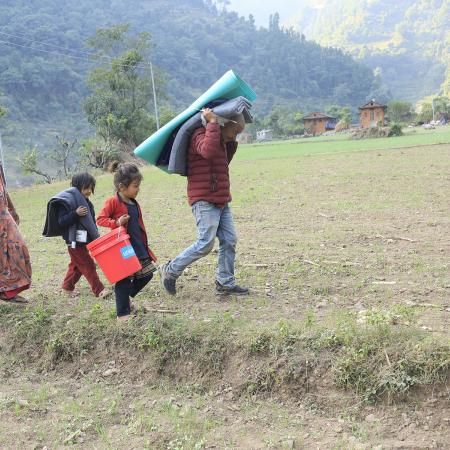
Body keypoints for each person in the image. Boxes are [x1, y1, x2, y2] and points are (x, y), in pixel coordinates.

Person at [159, 108, 249, 297]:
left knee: (229, 240)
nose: (236, 136)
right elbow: (207, 152)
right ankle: (170, 270)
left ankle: (225, 282)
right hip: (204, 199)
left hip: (221, 199)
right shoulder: (199, 134)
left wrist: (230, 141)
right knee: (205, 243)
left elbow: (222, 163)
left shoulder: (222, 139)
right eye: (235, 132)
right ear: (224, 123)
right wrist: (213, 124)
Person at [97, 162, 156, 322]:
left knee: (147, 274)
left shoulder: (134, 202)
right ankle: (122, 315)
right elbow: (100, 219)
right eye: (135, 186)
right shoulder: (113, 202)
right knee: (124, 279)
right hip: (123, 248)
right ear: (122, 187)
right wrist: (116, 223)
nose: (138, 189)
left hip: (138, 246)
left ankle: (123, 297)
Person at [44, 173, 111, 299]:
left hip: (84, 240)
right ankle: (99, 290)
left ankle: (67, 287)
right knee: (88, 264)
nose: (89, 191)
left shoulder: (88, 203)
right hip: (73, 241)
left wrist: (95, 236)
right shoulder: (67, 203)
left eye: (91, 188)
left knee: (77, 265)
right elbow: (61, 222)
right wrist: (75, 213)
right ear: (76, 187)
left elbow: (91, 222)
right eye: (86, 188)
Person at [0, 163, 31, 304]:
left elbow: (3, 191)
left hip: (3, 215)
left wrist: (11, 209)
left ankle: (8, 292)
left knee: (19, 248)